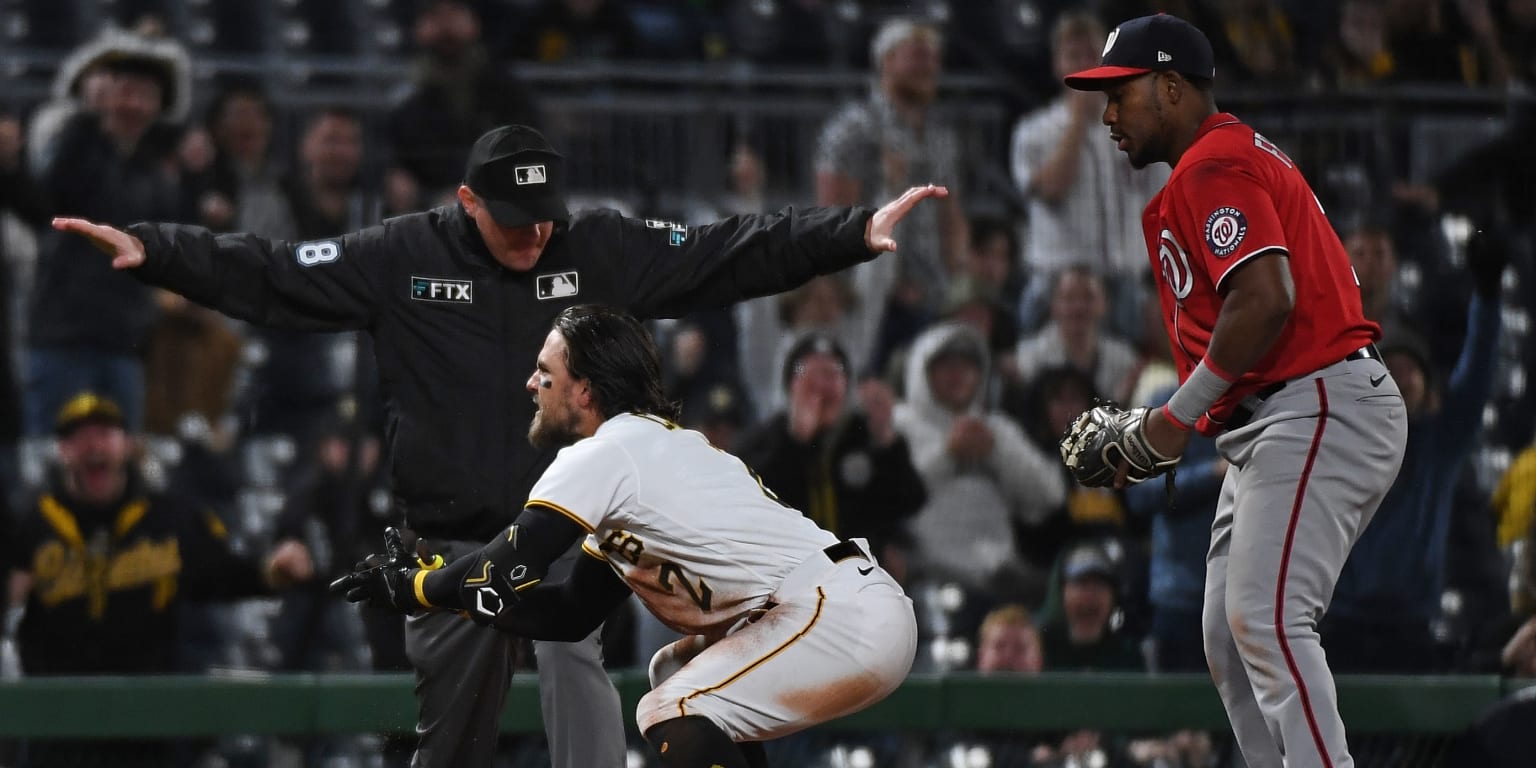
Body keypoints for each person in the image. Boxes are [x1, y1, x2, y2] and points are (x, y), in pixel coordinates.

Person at [51, 123, 948, 768]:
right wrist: (159, 249)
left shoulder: (594, 246)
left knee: (586, 680)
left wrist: (847, 233)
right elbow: (277, 273)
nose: (535, 233)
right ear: (466, 200)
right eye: (512, 217)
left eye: (546, 215)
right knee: (451, 746)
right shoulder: (400, 253)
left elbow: (723, 252)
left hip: (572, 529)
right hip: (453, 525)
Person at [334, 305, 917, 768]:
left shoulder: (607, 450)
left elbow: (500, 570)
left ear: (585, 391)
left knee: (670, 708)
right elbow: (567, 611)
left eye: (547, 372)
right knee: (673, 678)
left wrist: (417, 587)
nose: (530, 383)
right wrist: (440, 592)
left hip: (833, 613)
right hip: (835, 608)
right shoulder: (644, 456)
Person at [1064, 14, 1407, 768]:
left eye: (1122, 94)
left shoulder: (1214, 165)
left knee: (1269, 619)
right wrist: (1167, 420)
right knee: (1227, 633)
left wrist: (1168, 423)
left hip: (1317, 400)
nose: (1109, 115)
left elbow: (1265, 298)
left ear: (1173, 87)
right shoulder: (1218, 162)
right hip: (1280, 414)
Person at [2, 392, 311, 767]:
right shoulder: (31, 524)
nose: (94, 446)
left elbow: (220, 571)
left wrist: (270, 571)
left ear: (128, 445)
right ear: (63, 450)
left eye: (105, 433)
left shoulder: (167, 517)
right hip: (59, 723)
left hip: (147, 720)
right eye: (80, 437)